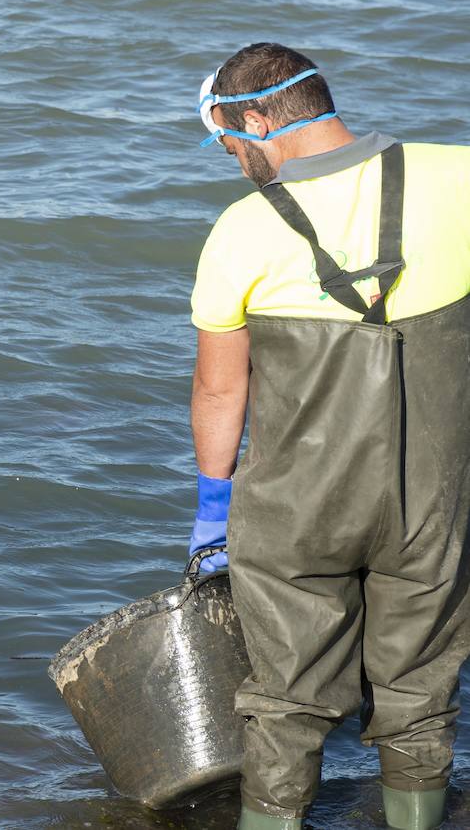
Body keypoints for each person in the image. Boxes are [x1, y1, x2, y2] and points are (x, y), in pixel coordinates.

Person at [188, 42, 470, 830]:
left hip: (295, 513)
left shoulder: (241, 230)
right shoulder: (458, 176)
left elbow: (221, 389)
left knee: (285, 701)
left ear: (257, 121)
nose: (235, 161)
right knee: (420, 693)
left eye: (230, 142)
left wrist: (212, 509)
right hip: (432, 501)